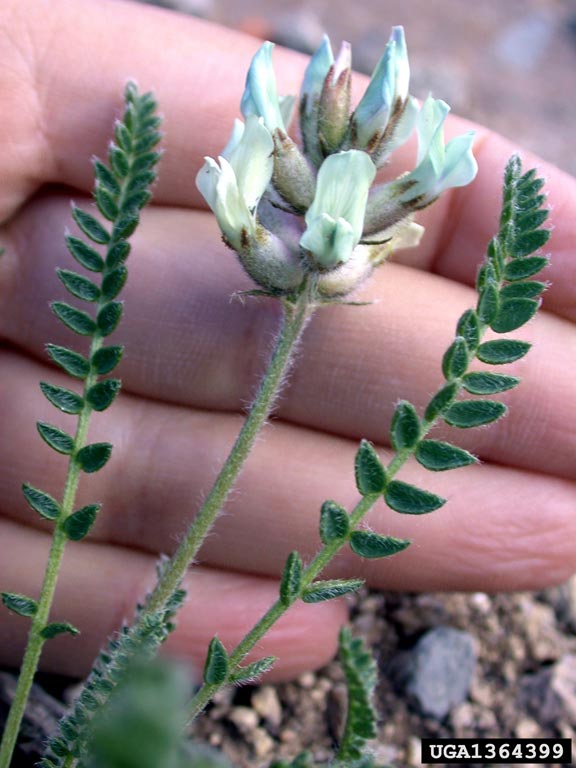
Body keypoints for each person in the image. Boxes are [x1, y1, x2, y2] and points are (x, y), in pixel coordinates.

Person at [0, 0, 574, 684]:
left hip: (305, 222)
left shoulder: (340, 217)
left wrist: (354, 219)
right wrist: (254, 203)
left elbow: (333, 241)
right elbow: (317, 227)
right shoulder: (306, 203)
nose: (327, 233)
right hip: (275, 217)